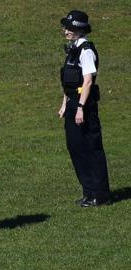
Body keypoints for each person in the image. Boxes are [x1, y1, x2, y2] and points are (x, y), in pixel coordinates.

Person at [59, 10, 111, 207]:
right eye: (66, 27)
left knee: (91, 148)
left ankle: (100, 194)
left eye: (70, 28)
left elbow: (87, 81)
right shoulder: (73, 49)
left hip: (84, 105)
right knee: (75, 148)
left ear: (79, 30)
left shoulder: (86, 50)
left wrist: (81, 107)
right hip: (73, 103)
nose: (66, 31)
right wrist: (65, 103)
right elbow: (69, 81)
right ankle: (88, 192)